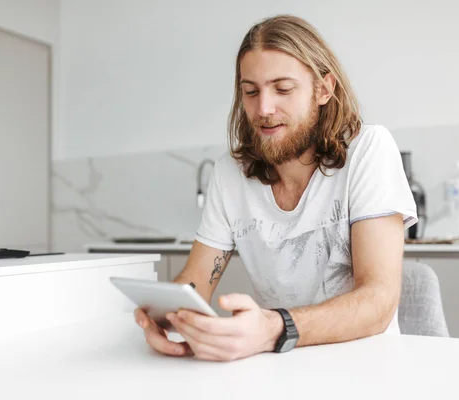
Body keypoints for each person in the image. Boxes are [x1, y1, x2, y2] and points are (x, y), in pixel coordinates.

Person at [134, 14, 417, 361]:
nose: (263, 109)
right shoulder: (229, 174)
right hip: (277, 366)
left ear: (324, 89)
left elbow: (378, 300)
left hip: (366, 365)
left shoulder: (369, 149)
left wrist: (273, 328)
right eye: (250, 91)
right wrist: (166, 315)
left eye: (283, 89)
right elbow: (195, 282)